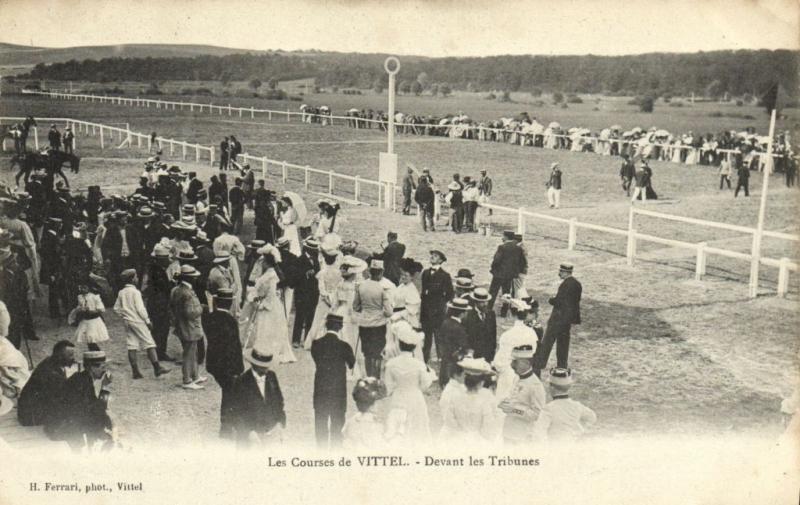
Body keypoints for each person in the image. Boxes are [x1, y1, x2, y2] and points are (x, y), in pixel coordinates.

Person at [48, 350, 113, 451]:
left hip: (65, 421)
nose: (104, 371)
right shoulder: (83, 381)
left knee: (104, 421)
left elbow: (93, 406)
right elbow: (96, 409)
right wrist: (105, 387)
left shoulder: (83, 378)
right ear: (92, 367)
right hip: (62, 426)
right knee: (103, 424)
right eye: (102, 367)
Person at [114, 269, 170, 379]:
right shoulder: (136, 292)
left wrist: (125, 314)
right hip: (137, 321)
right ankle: (157, 367)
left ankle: (135, 371)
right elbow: (140, 309)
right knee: (149, 343)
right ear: (132, 279)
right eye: (135, 277)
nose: (137, 279)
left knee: (132, 344)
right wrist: (147, 321)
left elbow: (116, 308)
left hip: (128, 321)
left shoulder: (121, 292)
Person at [383, 326, 435, 444]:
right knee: (418, 428)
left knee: (397, 429)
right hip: (415, 397)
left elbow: (389, 386)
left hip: (399, 396)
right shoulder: (419, 365)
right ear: (414, 347)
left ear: (399, 345)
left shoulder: (391, 364)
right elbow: (425, 384)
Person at [204, 287, 244, 439]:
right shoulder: (230, 321)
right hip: (227, 366)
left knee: (228, 391)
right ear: (230, 303)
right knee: (229, 393)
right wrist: (238, 369)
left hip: (213, 363)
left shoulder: (210, 317)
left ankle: (228, 426)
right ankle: (226, 428)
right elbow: (233, 348)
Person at [311, 313, 355, 449]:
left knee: (320, 421)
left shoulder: (316, 344)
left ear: (326, 325)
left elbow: (316, 359)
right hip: (338, 391)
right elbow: (352, 364)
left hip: (321, 388)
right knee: (337, 422)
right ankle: (336, 450)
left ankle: (321, 451)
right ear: (340, 327)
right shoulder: (345, 346)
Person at [228, 347, 287, 447]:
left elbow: (279, 402)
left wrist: (280, 424)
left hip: (271, 432)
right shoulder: (241, 382)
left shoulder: (272, 376)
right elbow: (236, 413)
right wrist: (249, 433)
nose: (266, 369)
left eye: (268, 366)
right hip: (250, 436)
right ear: (254, 364)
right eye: (263, 366)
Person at [533, 263, 582, 376]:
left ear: (565, 272)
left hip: (558, 318)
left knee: (548, 340)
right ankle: (562, 365)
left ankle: (540, 362)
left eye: (561, 271)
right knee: (563, 343)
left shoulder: (565, 285)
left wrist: (551, 300)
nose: (559, 273)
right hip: (568, 320)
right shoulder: (577, 284)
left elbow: (559, 302)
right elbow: (575, 301)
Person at [250, 245, 296, 363]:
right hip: (270, 303)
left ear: (267, 262)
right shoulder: (269, 273)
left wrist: (262, 304)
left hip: (269, 305)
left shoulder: (271, 275)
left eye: (263, 261)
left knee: (268, 327)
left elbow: (270, 294)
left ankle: (268, 351)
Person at [440, 356, 499, 444]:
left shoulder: (454, 396)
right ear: (481, 382)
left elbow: (449, 422)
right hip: (477, 441)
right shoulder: (485, 399)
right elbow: (489, 427)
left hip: (458, 440)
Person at [18, 340, 76, 427]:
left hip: (34, 408)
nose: (73, 358)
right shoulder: (50, 372)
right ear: (60, 356)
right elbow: (60, 397)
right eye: (70, 355)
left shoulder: (52, 362)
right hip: (31, 415)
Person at [353, 259, 393, 379]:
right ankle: (376, 378)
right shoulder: (382, 289)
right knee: (378, 353)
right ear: (381, 272)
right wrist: (380, 313)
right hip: (378, 325)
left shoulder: (361, 286)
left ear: (370, 271)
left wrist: (365, 310)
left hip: (364, 324)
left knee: (367, 353)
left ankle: (369, 377)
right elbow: (389, 312)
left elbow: (355, 306)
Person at [169, 264, 208, 390]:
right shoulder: (187, 293)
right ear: (189, 278)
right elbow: (190, 313)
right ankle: (187, 379)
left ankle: (195, 375)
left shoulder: (177, 289)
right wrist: (201, 308)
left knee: (193, 351)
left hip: (183, 325)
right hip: (189, 326)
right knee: (189, 353)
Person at [499, 345, 546, 445]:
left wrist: (513, 409)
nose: (512, 365)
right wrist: (505, 403)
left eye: (516, 362)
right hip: (508, 431)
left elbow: (537, 415)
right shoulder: (517, 378)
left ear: (526, 363)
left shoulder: (535, 385)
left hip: (522, 437)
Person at [494, 299, 539, 402]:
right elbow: (533, 353)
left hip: (509, 375)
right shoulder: (532, 333)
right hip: (526, 373)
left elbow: (500, 362)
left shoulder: (507, 335)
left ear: (510, 314)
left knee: (503, 405)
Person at [533, 367, 596, 442]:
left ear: (552, 388)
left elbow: (538, 434)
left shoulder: (548, 409)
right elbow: (592, 417)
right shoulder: (577, 406)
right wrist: (581, 430)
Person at [304, 239, 343, 350]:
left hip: (323, 300)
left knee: (318, 320)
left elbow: (321, 288)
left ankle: (314, 342)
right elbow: (338, 288)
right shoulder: (339, 273)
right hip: (333, 300)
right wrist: (332, 299)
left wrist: (326, 297)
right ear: (335, 259)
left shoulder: (322, 273)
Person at [420, 249, 454, 364]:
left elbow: (450, 294)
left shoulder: (445, 276)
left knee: (439, 337)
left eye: (435, 256)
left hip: (438, 312)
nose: (432, 257)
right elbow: (423, 293)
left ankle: (442, 360)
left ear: (441, 260)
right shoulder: (425, 273)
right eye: (432, 256)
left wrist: (440, 303)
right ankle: (425, 360)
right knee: (426, 339)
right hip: (425, 311)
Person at [143, 244, 174, 361]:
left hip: (154, 302)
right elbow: (164, 287)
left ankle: (157, 350)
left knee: (158, 328)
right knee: (162, 327)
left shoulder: (153, 269)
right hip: (159, 303)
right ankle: (160, 352)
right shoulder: (158, 272)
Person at [488, 230, 527, 315]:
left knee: (493, 292)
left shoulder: (502, 247)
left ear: (506, 237)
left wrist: (493, 270)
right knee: (506, 292)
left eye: (503, 236)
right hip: (510, 275)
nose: (502, 238)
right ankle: (504, 311)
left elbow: (496, 261)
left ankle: (488, 309)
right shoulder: (518, 248)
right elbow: (522, 262)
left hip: (499, 274)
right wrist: (515, 271)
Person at [342, 377, 387, 449]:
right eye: (381, 400)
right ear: (374, 403)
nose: (383, 405)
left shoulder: (351, 421)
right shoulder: (376, 425)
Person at [436, 297, 470, 387]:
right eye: (466, 312)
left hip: (445, 356)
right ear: (462, 313)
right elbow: (463, 345)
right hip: (454, 359)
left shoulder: (445, 322)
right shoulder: (459, 328)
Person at [293, 238, 320, 348]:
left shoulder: (316, 260)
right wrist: (306, 274)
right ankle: (296, 340)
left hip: (313, 292)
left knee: (310, 316)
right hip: (302, 292)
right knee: (300, 316)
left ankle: (306, 339)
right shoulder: (300, 260)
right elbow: (296, 276)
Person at [462, 288, 497, 362]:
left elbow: (493, 334)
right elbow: (466, 337)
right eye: (482, 302)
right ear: (476, 302)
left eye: (486, 302)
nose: (485, 304)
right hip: (475, 355)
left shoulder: (491, 314)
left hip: (488, 354)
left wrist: (492, 352)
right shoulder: (468, 316)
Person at [74, 283, 110, 352]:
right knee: (88, 338)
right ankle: (93, 352)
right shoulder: (80, 297)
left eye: (85, 287)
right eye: (81, 288)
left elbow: (101, 309)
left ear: (89, 288)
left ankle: (97, 352)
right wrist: (80, 309)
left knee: (91, 337)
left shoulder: (94, 297)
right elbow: (79, 306)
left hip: (93, 320)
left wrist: (92, 311)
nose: (82, 289)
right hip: (85, 320)